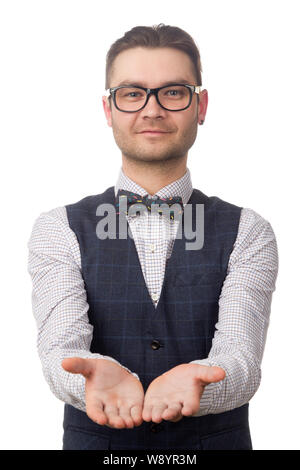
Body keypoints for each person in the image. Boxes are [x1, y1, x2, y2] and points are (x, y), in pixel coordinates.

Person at [27, 24, 279, 451]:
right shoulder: (57, 229)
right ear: (109, 110)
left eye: (173, 92)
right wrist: (90, 373)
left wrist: (204, 383)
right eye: (131, 93)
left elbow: (241, 357)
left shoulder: (249, 231)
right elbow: (60, 349)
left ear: (200, 105)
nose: (152, 109)